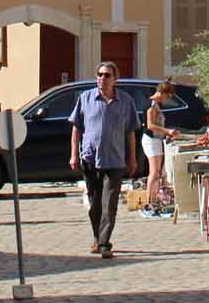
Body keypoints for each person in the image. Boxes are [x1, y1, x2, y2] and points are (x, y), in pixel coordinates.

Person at [69, 63, 140, 259]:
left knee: (110, 204)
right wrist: (74, 154)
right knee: (95, 203)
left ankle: (104, 243)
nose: (102, 78)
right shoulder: (86, 98)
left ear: (115, 79)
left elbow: (130, 132)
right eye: (99, 74)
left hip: (115, 160)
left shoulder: (125, 101)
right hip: (90, 158)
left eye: (107, 75)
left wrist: (132, 158)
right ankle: (97, 237)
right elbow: (76, 129)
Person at [141, 80, 176, 212]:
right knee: (154, 172)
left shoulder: (156, 105)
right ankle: (149, 202)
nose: (167, 99)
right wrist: (167, 131)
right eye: (167, 96)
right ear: (162, 93)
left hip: (157, 139)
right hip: (150, 140)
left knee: (158, 173)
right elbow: (150, 125)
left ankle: (155, 200)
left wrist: (166, 133)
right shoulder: (151, 105)